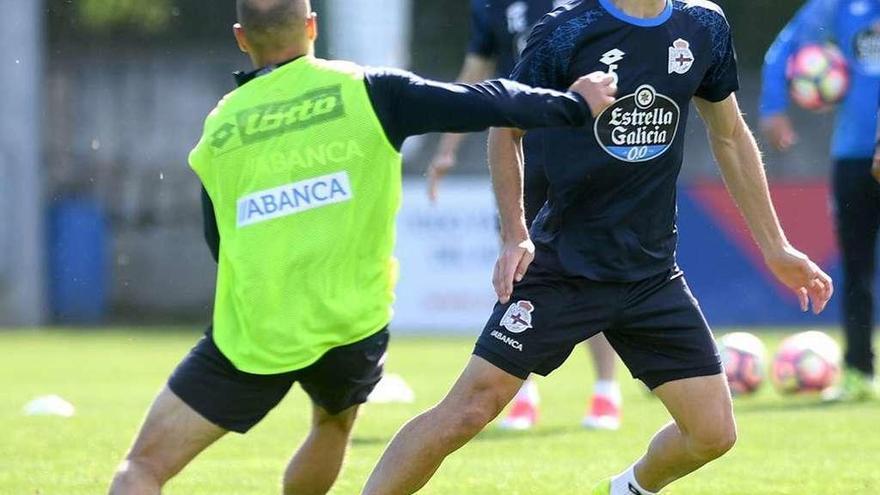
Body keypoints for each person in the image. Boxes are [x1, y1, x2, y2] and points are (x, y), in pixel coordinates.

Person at [106, 1, 611, 494]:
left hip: (257, 329)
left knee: (142, 469)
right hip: (351, 326)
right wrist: (573, 105)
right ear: (311, 27)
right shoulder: (368, 89)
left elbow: (218, 238)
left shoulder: (220, 125)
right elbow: (488, 100)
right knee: (330, 426)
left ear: (241, 37)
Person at [362, 0, 834, 494]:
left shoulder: (702, 26)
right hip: (563, 267)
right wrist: (514, 234)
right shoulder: (568, 31)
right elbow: (507, 128)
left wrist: (776, 247)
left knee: (713, 433)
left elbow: (731, 135)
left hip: (650, 275)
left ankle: (625, 489)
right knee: (468, 410)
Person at [427, 0, 623, 432]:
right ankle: (522, 392)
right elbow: (474, 71)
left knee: (593, 271)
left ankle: (607, 391)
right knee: (520, 273)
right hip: (521, 154)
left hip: (583, 152)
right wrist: (446, 149)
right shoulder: (490, 6)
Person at [760, 0, 880, 402]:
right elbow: (785, 47)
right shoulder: (835, 6)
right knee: (856, 267)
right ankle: (859, 371)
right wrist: (773, 106)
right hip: (852, 156)